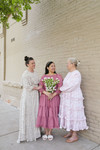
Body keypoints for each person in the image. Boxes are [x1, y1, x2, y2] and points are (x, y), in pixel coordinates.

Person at [59, 57, 88, 143]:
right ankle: (71, 131)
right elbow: (66, 83)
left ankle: (75, 135)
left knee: (74, 114)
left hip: (74, 97)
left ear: (72, 64)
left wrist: (61, 89)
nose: (66, 65)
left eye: (68, 63)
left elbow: (73, 86)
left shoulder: (76, 73)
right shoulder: (69, 73)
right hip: (68, 97)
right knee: (69, 113)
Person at [36, 61, 63, 141]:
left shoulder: (58, 76)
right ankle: (46, 132)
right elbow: (40, 87)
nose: (53, 67)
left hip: (54, 98)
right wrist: (46, 93)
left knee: (52, 114)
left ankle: (50, 132)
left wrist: (53, 95)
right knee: (45, 114)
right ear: (47, 67)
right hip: (44, 98)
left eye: (54, 66)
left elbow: (60, 88)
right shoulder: (43, 77)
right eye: (51, 66)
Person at [17, 56, 41, 143]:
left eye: (34, 63)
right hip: (28, 95)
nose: (34, 64)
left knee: (35, 112)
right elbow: (27, 86)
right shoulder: (25, 74)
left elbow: (39, 81)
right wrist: (37, 88)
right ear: (27, 64)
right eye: (32, 63)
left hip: (35, 96)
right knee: (28, 113)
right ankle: (27, 134)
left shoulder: (36, 73)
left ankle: (36, 133)